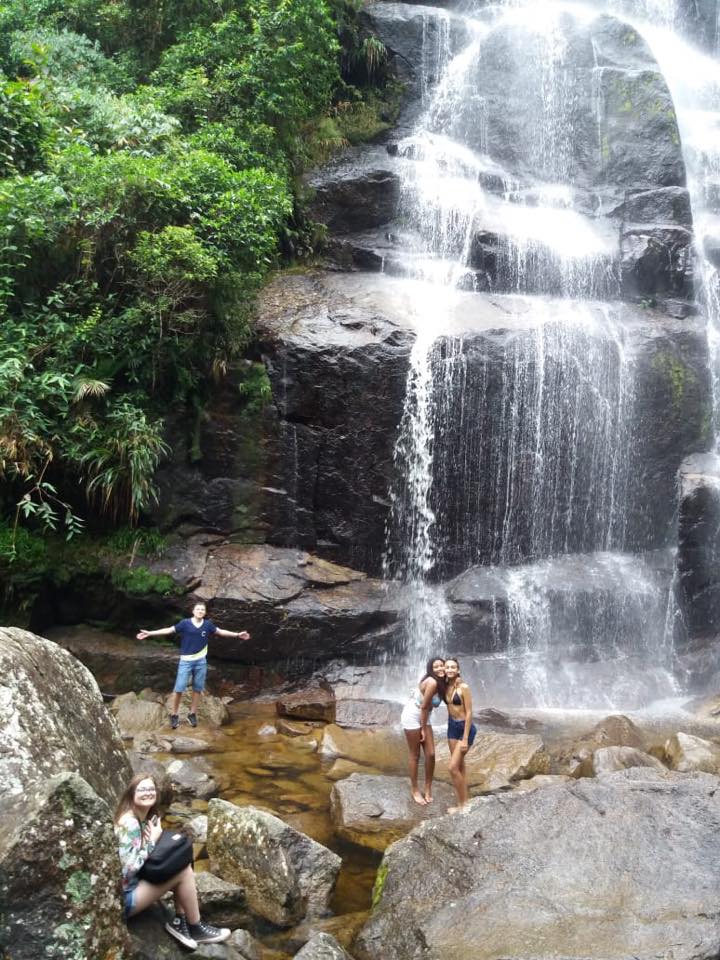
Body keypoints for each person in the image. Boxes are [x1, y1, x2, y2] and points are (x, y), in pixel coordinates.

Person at [114, 773, 230, 949]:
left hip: (130, 887)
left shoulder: (142, 817)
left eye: (151, 789)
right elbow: (127, 869)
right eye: (142, 789)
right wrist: (152, 840)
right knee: (184, 872)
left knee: (177, 861)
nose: (148, 793)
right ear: (132, 794)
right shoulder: (130, 823)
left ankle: (181, 921)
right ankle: (194, 927)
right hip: (125, 898)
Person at [137, 601, 249, 729]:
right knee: (179, 689)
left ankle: (192, 714)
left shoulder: (208, 625)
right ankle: (174, 715)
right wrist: (150, 633)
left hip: (201, 661)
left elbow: (221, 632)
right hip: (186, 661)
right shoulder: (185, 623)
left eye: (202, 610)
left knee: (197, 689)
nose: (200, 611)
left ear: (205, 612)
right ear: (193, 611)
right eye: (198, 609)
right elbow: (169, 630)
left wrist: (237, 635)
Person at [400, 657, 447, 805]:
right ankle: (415, 790)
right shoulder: (432, 682)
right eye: (436, 667)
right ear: (431, 670)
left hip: (424, 716)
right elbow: (424, 707)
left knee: (431, 754)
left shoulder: (442, 683)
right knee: (415, 755)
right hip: (413, 715)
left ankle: (428, 788)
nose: (440, 669)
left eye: (442, 666)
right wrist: (423, 729)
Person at [444, 656, 477, 812]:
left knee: (452, 767)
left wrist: (465, 739)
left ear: (458, 670)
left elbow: (469, 712)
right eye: (447, 667)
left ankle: (464, 806)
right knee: (460, 766)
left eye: (452, 667)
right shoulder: (445, 686)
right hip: (452, 726)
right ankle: (462, 801)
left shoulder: (464, 687)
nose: (449, 670)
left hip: (465, 727)